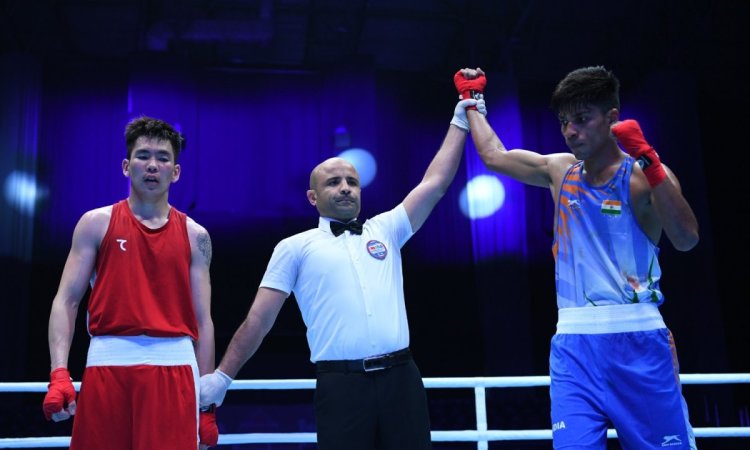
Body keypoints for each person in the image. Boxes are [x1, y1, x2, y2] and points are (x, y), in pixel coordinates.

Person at [199, 95, 486, 450]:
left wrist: (459, 119)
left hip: (402, 378)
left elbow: (436, 183)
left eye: (351, 180)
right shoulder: (294, 247)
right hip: (341, 385)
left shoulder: (386, 229)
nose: (346, 187)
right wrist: (223, 377)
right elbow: (258, 320)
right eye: (333, 182)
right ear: (312, 197)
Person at [457, 66, 700, 449]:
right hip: (572, 343)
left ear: (613, 118)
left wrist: (650, 161)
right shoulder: (560, 170)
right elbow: (494, 156)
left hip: (637, 339)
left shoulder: (642, 176)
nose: (571, 131)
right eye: (564, 121)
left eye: (582, 119)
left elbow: (686, 239)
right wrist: (471, 100)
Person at [43, 116, 219, 450]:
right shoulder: (96, 224)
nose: (152, 165)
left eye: (163, 158)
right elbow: (66, 300)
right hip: (106, 366)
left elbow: (202, 321)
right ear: (126, 166)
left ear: (176, 171)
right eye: (143, 156)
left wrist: (206, 404)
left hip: (175, 370)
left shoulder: (196, 236)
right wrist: (59, 372)